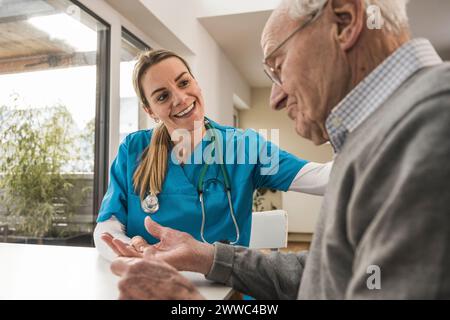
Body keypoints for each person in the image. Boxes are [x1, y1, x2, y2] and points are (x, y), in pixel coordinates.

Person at [108, 0, 450, 299]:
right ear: (150, 110)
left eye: (278, 64)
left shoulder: (431, 126)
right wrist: (206, 257)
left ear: (346, 22)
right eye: (162, 95)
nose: (275, 98)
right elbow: (323, 274)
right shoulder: (389, 135)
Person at [94, 49, 332, 261]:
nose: (180, 98)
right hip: (150, 283)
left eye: (184, 83)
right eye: (162, 96)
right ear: (150, 110)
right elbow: (107, 227)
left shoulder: (244, 147)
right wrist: (132, 250)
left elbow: (323, 178)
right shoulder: (133, 150)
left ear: (196, 83)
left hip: (224, 287)